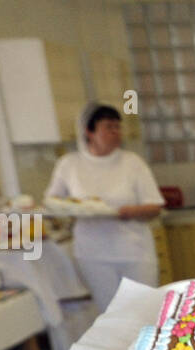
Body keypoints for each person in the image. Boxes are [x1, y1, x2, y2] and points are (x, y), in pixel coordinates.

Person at [45, 102, 164, 312]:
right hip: (93, 254)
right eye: (109, 127)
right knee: (110, 315)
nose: (116, 132)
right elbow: (53, 202)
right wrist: (70, 211)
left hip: (134, 251)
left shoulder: (132, 163)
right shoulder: (69, 164)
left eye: (118, 127)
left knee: (145, 312)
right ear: (89, 132)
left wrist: (129, 212)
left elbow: (154, 206)